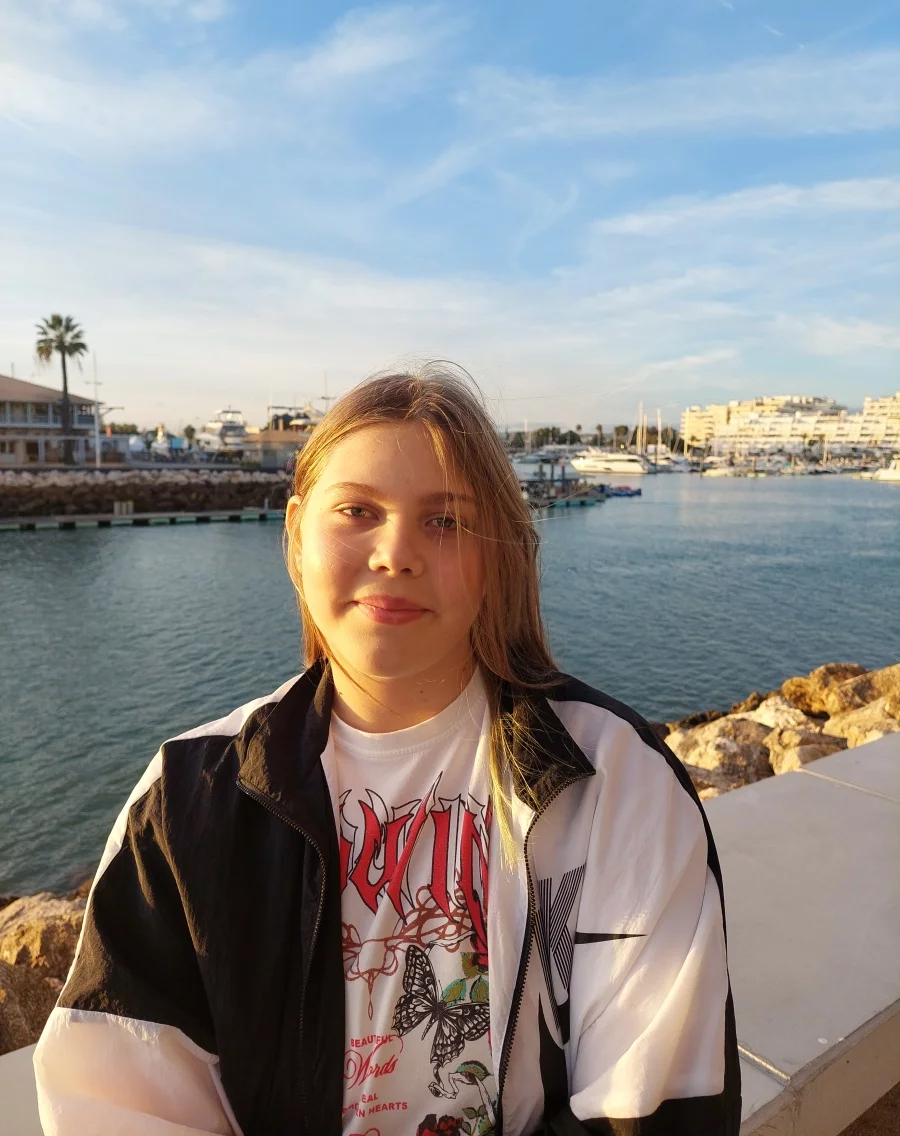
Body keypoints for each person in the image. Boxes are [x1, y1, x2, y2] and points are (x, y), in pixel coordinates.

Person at [34, 366, 741, 1135]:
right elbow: (115, 1100)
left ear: (498, 555)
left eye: (446, 521)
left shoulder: (617, 781)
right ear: (296, 535)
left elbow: (652, 1106)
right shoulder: (189, 799)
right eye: (357, 511)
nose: (396, 553)